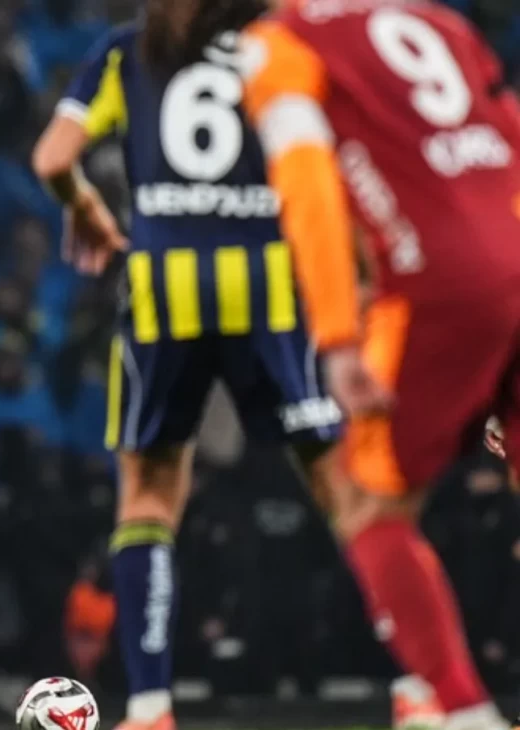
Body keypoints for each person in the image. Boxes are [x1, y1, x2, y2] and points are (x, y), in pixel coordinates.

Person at [28, 4, 441, 728]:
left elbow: (53, 159)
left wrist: (85, 206)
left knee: (148, 498)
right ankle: (419, 687)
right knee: (344, 491)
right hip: (273, 287)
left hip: (164, 289)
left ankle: (150, 707)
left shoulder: (126, 52)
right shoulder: (281, 46)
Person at [233, 1, 520, 729]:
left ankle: (463, 713)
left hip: (442, 281)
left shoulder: (282, 44)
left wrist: (336, 335)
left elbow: (307, 187)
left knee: (366, 504)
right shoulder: (442, 22)